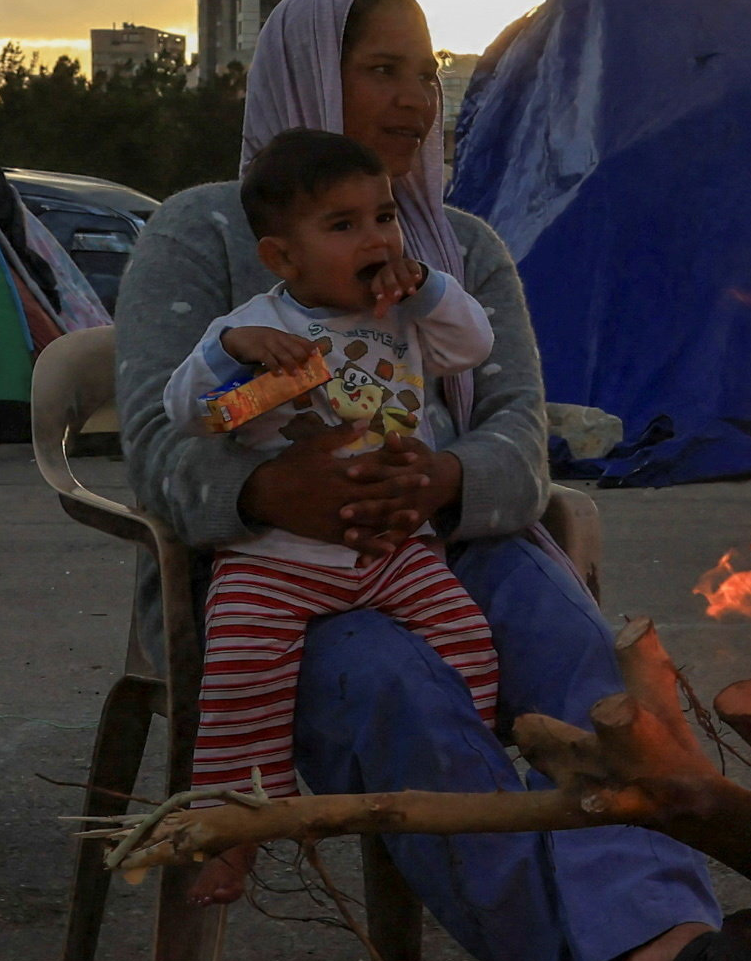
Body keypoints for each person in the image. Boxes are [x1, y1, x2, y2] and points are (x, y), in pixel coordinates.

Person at [109, 0, 729, 961]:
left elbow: (518, 434)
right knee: (395, 687)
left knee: (574, 643)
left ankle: (664, 943)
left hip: (444, 541)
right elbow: (155, 444)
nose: (410, 102)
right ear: (305, 75)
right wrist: (267, 491)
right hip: (271, 582)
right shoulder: (202, 232)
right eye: (377, 69)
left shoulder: (462, 252)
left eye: (422, 73)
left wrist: (444, 474)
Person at [159, 131, 505, 835]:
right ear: (282, 257)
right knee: (239, 684)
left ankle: (465, 791)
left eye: (383, 217)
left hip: (393, 549)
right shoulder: (257, 325)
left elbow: (473, 346)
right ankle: (233, 829)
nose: (374, 238)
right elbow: (186, 413)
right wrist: (232, 352)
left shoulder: (406, 313)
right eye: (342, 226)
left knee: (467, 637)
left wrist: (432, 284)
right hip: (278, 559)